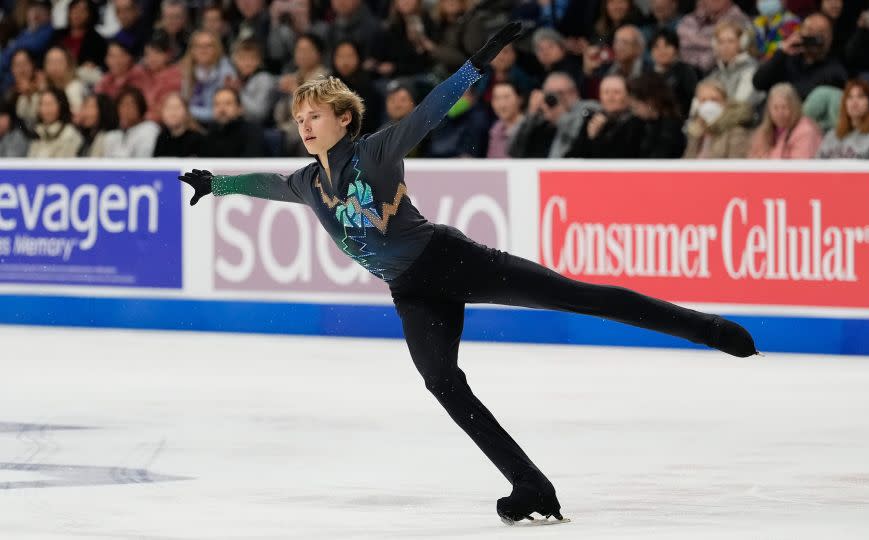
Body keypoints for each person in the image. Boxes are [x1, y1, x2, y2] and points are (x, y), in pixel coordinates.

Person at [177, 22, 758, 525]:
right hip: (409, 291)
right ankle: (530, 484)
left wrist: (478, 64)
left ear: (344, 119)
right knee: (442, 382)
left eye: (315, 116)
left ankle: (704, 328)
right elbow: (268, 187)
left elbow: (429, 112)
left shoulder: (376, 151)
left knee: (576, 296)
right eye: (299, 117)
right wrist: (218, 185)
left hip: (450, 260)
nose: (304, 125)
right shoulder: (308, 181)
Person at [752, 12, 848, 100]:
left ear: (830, 38)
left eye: (821, 32)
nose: (815, 37)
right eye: (810, 30)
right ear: (800, 32)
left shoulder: (835, 71)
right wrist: (781, 52)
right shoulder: (786, 58)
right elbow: (758, 83)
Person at [816, 78, 869, 159]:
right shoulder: (832, 135)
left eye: (860, 97)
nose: (854, 102)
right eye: (849, 97)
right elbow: (817, 165)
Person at [748, 82, 822, 157]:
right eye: (775, 108)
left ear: (794, 107)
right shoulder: (763, 133)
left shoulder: (806, 132)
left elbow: (800, 165)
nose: (780, 113)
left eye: (784, 107)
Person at [682, 78, 753, 158]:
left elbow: (737, 165)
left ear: (725, 102)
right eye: (703, 100)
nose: (708, 105)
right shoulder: (696, 132)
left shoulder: (736, 132)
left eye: (714, 100)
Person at [28, 87, 83, 157]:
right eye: (42, 104)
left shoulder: (70, 134)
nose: (46, 109)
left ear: (61, 106)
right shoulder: (38, 132)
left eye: (50, 104)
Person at [154, 92, 206, 157]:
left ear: (186, 111)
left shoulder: (198, 139)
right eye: (168, 108)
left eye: (177, 107)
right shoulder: (162, 137)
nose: (172, 112)